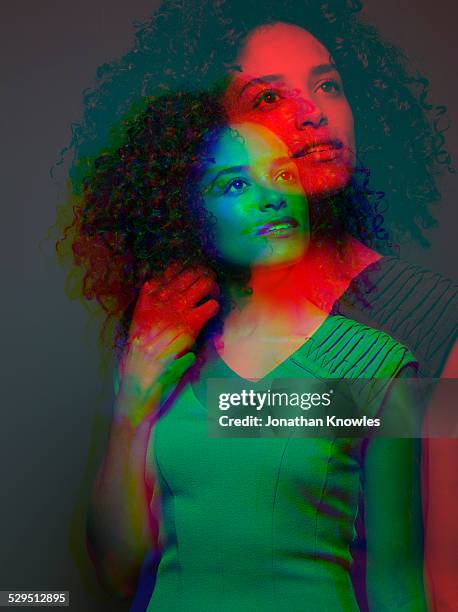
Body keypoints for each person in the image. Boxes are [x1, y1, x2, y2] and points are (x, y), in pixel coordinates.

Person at [55, 1, 457, 608]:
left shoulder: (429, 322)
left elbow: (436, 577)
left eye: (328, 85)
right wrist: (134, 392)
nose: (312, 113)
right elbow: (119, 573)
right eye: (268, 99)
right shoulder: (177, 319)